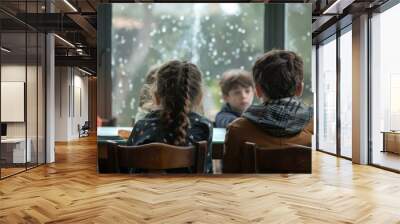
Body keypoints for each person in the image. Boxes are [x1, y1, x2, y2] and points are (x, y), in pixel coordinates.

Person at [223, 50, 313, 173]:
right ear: (299, 89)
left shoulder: (237, 129)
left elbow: (229, 177)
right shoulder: (318, 128)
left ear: (258, 90)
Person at [127, 60, 213, 173]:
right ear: (200, 98)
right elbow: (206, 171)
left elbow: (128, 168)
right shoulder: (203, 127)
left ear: (156, 96)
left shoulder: (142, 125)